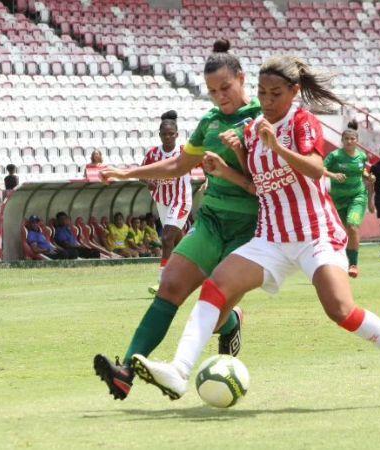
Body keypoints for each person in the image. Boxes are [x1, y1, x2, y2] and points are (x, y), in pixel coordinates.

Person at [130, 55, 380, 405]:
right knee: (215, 287)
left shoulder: (302, 122)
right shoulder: (253, 129)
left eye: (276, 93)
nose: (268, 101)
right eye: (262, 93)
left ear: (293, 92)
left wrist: (277, 145)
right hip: (271, 238)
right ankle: (179, 370)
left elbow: (315, 168)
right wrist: (226, 166)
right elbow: (257, 184)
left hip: (314, 235)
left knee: (341, 310)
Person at [93, 39, 259, 401]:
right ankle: (125, 374)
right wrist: (126, 172)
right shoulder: (211, 121)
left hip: (250, 232)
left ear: (242, 79)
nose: (220, 97)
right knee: (170, 286)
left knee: (211, 311)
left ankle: (230, 322)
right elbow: (179, 164)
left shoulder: (263, 118)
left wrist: (238, 153)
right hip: (212, 220)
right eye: (213, 91)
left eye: (226, 88)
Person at [141, 110, 193, 293]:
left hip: (180, 199)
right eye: (165, 134)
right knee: (177, 241)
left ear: (177, 135)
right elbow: (142, 173)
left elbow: (205, 163)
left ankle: (163, 282)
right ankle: (191, 273)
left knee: (166, 238)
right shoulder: (153, 154)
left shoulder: (185, 152)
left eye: (171, 134)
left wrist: (210, 180)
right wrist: (149, 181)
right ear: (160, 135)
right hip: (162, 201)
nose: (168, 137)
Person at [324, 119, 374, 278]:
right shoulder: (335, 156)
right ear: (342, 141)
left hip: (357, 196)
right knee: (340, 233)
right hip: (337, 200)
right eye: (346, 139)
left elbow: (362, 172)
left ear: (357, 141)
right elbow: (320, 169)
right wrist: (333, 175)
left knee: (352, 226)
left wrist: (368, 176)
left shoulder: (362, 156)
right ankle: (338, 262)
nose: (350, 141)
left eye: (352, 139)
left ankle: (353, 264)